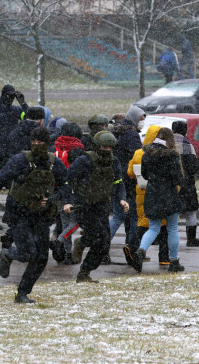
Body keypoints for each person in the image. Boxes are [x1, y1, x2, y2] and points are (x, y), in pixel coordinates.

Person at [0, 127, 70, 303]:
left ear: (47, 144)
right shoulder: (19, 161)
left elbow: (64, 185)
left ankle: (22, 293)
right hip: (19, 213)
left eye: (40, 142)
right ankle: (8, 253)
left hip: (41, 215)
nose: (36, 145)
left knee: (41, 257)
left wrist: (53, 199)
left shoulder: (54, 163)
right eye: (33, 142)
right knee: (27, 252)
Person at [65, 131, 128, 283]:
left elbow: (118, 182)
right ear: (97, 145)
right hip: (83, 206)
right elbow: (66, 180)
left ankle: (85, 272)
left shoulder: (115, 162)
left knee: (104, 244)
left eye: (109, 148)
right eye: (104, 147)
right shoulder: (84, 161)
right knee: (97, 238)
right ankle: (82, 242)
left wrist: (122, 199)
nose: (106, 150)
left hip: (101, 205)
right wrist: (67, 201)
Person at [132, 128, 185, 273]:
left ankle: (141, 251)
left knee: (153, 228)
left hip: (152, 194)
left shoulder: (147, 154)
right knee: (172, 228)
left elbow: (145, 175)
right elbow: (178, 178)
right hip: (169, 195)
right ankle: (173, 261)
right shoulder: (172, 156)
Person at [125, 124, 170, 268]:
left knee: (143, 223)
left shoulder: (138, 153)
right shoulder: (161, 152)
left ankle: (132, 247)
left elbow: (130, 172)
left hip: (141, 192)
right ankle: (164, 257)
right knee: (164, 225)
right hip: (159, 193)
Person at [0, 85, 29, 230]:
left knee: (14, 189)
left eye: (12, 96)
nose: (10, 99)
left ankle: (9, 215)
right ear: (3, 94)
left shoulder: (17, 111)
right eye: (8, 96)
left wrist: (23, 103)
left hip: (12, 157)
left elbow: (30, 119)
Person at [111, 105, 145, 249]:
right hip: (129, 179)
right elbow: (137, 158)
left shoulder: (118, 132)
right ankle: (132, 247)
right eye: (141, 119)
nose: (142, 122)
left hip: (117, 177)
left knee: (118, 215)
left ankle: (102, 244)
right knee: (132, 216)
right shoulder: (131, 135)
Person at [51, 122, 86, 263]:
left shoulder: (56, 145)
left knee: (65, 221)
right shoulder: (78, 149)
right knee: (76, 222)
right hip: (73, 189)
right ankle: (59, 241)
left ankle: (67, 253)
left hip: (57, 188)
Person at [172, 120, 199, 247]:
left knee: (172, 213)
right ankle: (191, 239)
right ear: (185, 131)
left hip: (171, 184)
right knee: (191, 212)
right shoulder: (188, 145)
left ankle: (168, 237)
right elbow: (193, 168)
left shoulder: (167, 144)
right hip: (187, 183)